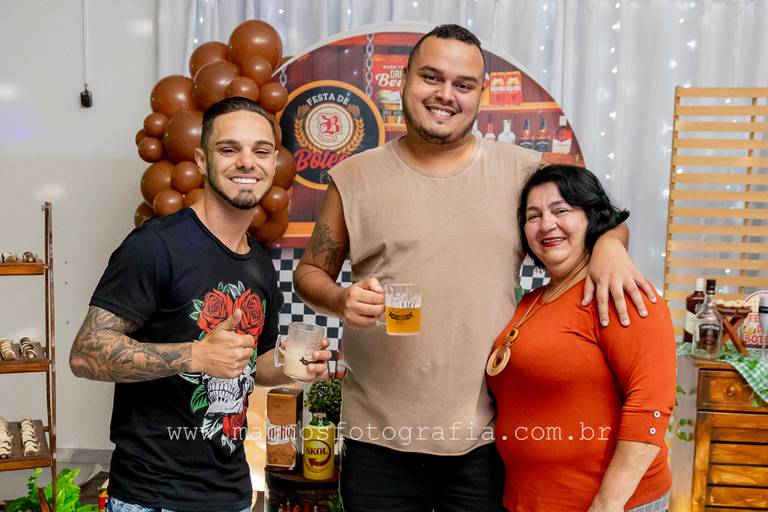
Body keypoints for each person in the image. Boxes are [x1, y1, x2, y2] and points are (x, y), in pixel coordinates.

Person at [293, 24, 655, 511]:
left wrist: (610, 247)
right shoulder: (354, 176)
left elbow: (599, 220)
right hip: (376, 439)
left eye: (463, 84)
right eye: (431, 77)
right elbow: (309, 273)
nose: (446, 94)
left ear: (480, 94)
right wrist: (340, 299)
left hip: (484, 438)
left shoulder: (522, 171)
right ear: (403, 80)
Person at [70, 97, 331, 512]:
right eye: (229, 149)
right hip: (153, 496)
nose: (247, 162)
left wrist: (290, 363)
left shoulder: (259, 264)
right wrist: (196, 355)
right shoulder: (156, 246)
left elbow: (254, 362)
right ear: (202, 161)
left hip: (232, 493)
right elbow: (85, 353)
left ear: (273, 164)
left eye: (261, 151)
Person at [486, 164, 675, 511]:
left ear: (591, 217)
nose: (547, 224)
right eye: (533, 215)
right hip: (529, 501)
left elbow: (651, 406)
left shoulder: (619, 292)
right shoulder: (530, 301)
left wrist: (607, 502)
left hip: (607, 503)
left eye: (561, 211)